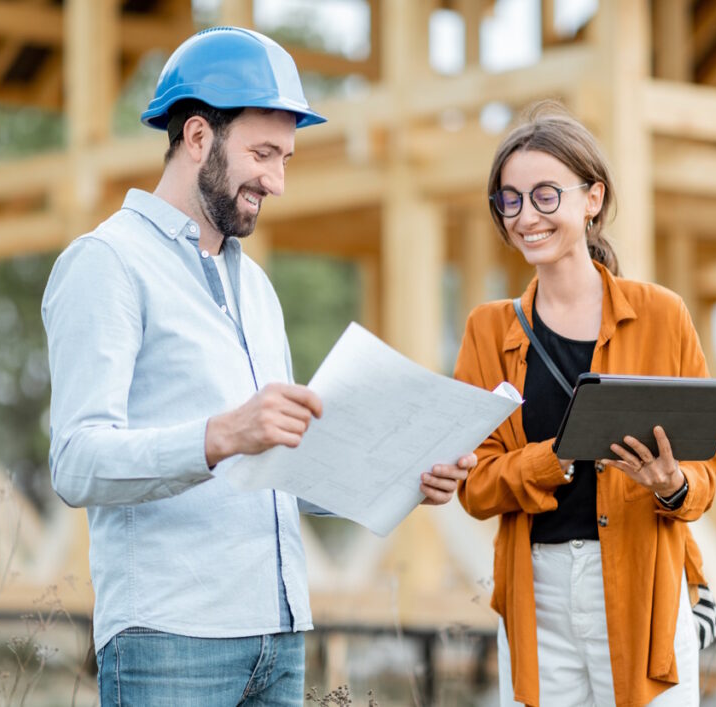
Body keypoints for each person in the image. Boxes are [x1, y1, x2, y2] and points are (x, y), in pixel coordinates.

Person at [41, 26, 473, 706]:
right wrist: (220, 434)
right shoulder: (108, 263)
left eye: (286, 157)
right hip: (169, 638)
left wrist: (404, 475)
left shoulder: (257, 289)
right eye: (263, 153)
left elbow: (276, 472)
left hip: (280, 632)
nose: (277, 179)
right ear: (196, 137)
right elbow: (74, 461)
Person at [453, 102, 716, 706]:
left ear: (592, 199)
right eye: (511, 200)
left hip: (646, 584)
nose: (526, 217)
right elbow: (475, 487)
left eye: (546, 196)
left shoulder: (663, 315)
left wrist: (672, 482)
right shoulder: (487, 330)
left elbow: (707, 472)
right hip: (536, 594)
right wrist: (554, 459)